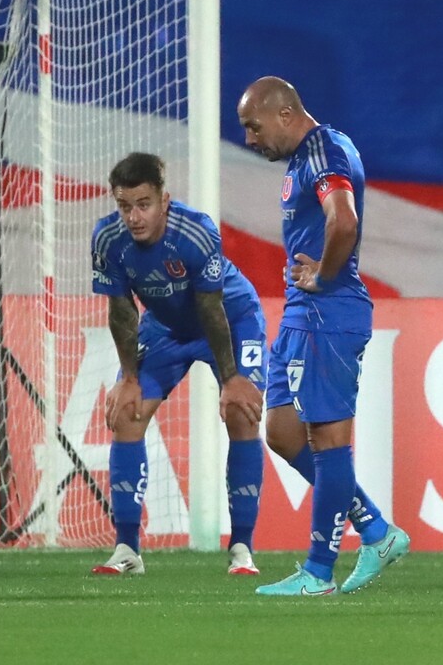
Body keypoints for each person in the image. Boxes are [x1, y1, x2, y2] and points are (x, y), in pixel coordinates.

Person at [239, 76, 409, 597]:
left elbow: (344, 221)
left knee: (329, 442)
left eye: (253, 126)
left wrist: (325, 276)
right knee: (284, 434)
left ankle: (317, 572)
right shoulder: (311, 154)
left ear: (285, 114)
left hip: (327, 313)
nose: (249, 138)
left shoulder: (325, 153)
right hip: (301, 315)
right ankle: (376, 531)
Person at [89, 153, 266, 576]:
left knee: (242, 414)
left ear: (164, 200)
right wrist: (129, 377)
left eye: (144, 204)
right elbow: (121, 311)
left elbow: (211, 309)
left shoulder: (196, 232)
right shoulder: (108, 238)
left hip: (232, 318)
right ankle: (127, 551)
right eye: (125, 205)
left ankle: (242, 549)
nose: (134, 216)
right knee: (127, 415)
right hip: (165, 327)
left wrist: (231, 379)